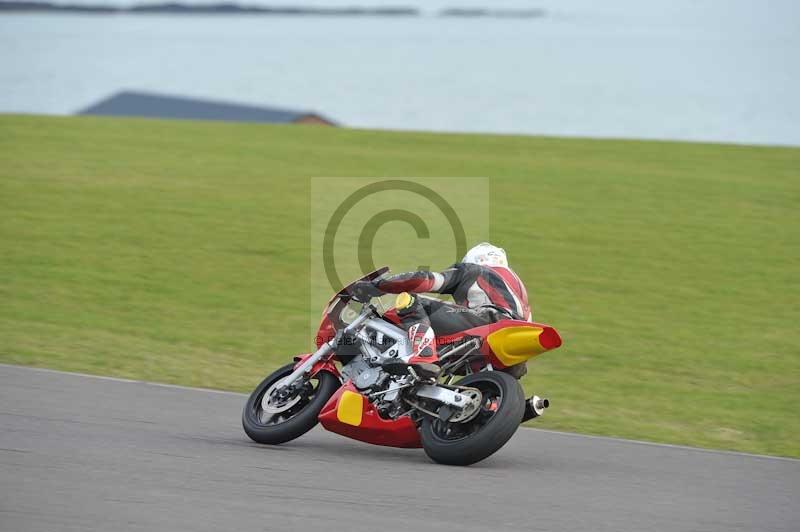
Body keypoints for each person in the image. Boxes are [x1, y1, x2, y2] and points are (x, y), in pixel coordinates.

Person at [350, 242, 542, 422]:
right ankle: (491, 407)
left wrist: (376, 287)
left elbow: (424, 280)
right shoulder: (519, 291)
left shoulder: (474, 270)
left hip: (489, 322)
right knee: (446, 358)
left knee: (409, 300)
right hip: (511, 351)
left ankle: (424, 357)